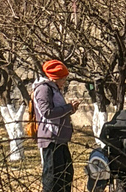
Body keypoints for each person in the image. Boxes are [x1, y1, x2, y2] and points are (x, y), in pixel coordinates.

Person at [33, 59, 80, 192]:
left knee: (66, 174)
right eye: (63, 79)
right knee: (53, 178)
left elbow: (58, 113)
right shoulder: (43, 89)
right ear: (55, 77)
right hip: (51, 139)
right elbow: (47, 113)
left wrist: (70, 110)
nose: (64, 82)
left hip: (60, 139)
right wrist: (68, 107)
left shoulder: (54, 89)